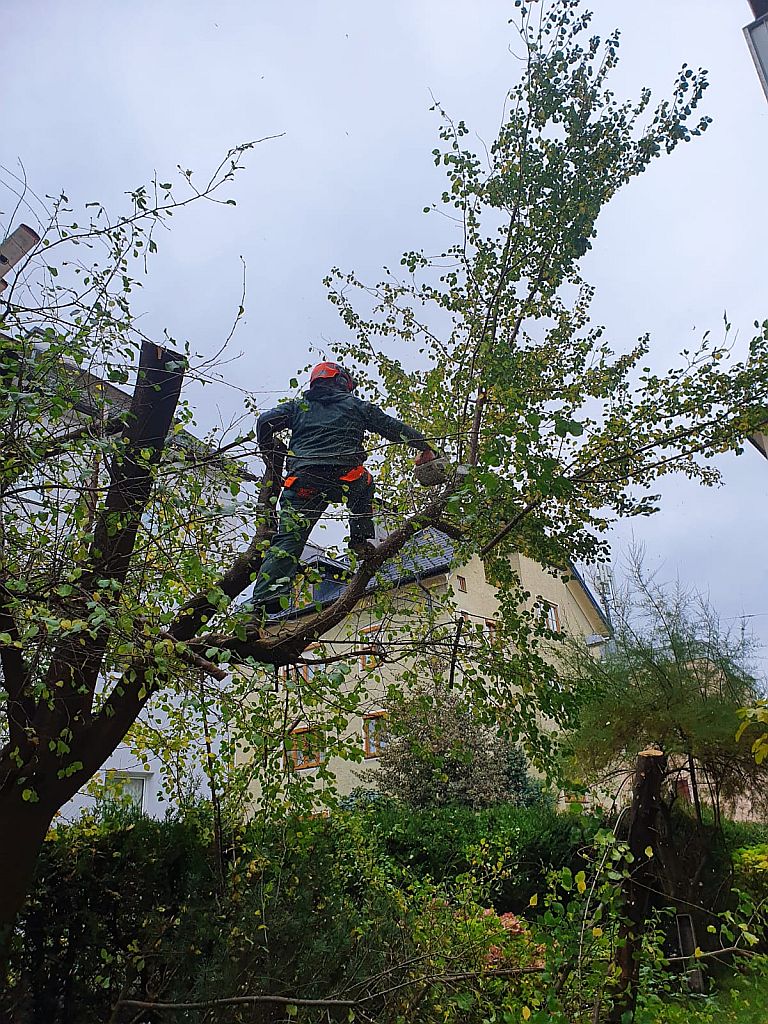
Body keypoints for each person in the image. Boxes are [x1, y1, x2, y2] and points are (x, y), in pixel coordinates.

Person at [247, 360, 437, 614]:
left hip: (303, 482)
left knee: (288, 539)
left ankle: (260, 606)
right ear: (341, 382)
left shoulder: (298, 407)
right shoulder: (354, 405)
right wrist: (424, 445)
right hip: (344, 477)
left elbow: (265, 421)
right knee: (364, 483)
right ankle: (359, 540)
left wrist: (271, 451)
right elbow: (392, 427)